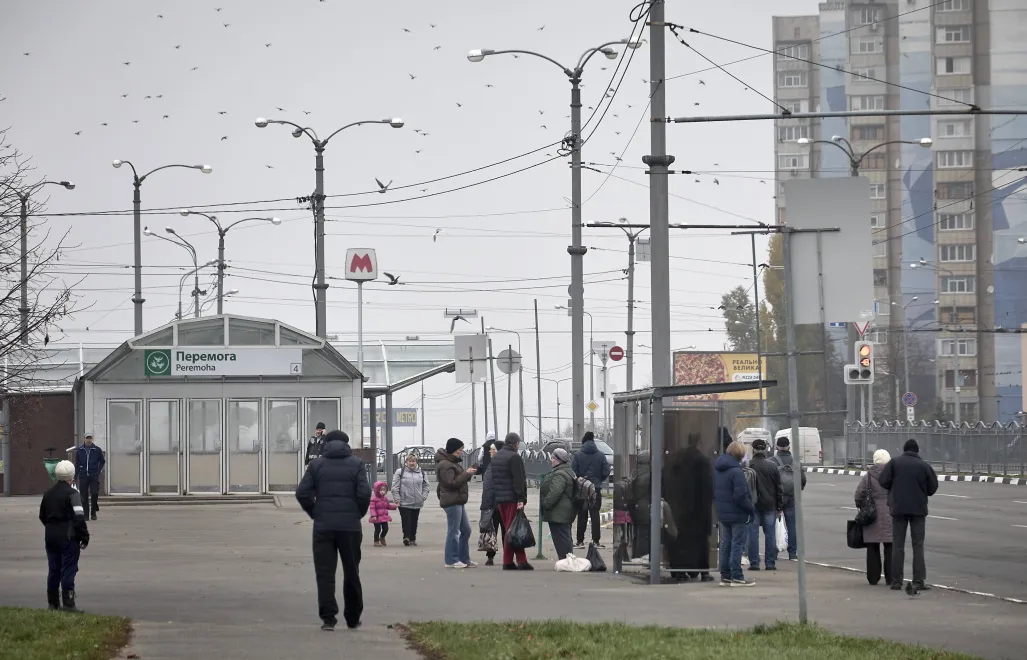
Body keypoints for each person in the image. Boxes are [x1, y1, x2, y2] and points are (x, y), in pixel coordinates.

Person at [295, 430, 370, 631]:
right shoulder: (357, 464)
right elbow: (364, 494)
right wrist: (357, 514)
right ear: (346, 444)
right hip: (350, 527)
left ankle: (328, 619)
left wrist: (315, 513)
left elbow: (302, 493)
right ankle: (353, 618)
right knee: (352, 572)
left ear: (325, 444)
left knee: (325, 573)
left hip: (324, 527)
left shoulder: (316, 465)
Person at [879, 439, 938, 592]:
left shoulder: (894, 463)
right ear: (917, 451)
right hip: (918, 509)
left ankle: (896, 581)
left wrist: (895, 488)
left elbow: (883, 481)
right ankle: (918, 580)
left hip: (898, 508)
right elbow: (932, 488)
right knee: (918, 545)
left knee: (898, 544)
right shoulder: (924, 466)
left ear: (904, 450)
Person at [663, 433, 715, 582]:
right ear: (700, 442)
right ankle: (702, 571)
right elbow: (707, 487)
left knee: (679, 539)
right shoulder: (703, 461)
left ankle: (679, 570)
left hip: (678, 507)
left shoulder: (675, 459)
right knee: (700, 541)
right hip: (699, 509)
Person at [40, 460, 89, 612]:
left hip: (50, 537)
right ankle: (68, 604)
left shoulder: (48, 494)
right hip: (68, 538)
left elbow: (42, 515)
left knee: (53, 570)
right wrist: (84, 536)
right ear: (72, 477)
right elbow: (79, 517)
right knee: (68, 570)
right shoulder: (73, 494)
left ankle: (53, 604)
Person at [714, 440, 756, 586]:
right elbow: (741, 496)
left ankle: (725, 576)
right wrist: (751, 508)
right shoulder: (736, 472)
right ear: (740, 454)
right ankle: (737, 576)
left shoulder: (719, 470)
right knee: (737, 545)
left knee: (726, 544)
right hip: (738, 514)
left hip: (723, 513)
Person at [490, 432, 533, 570]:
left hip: (500, 499)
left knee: (511, 529)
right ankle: (514, 561)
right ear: (515, 444)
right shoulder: (514, 457)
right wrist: (521, 498)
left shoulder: (496, 457)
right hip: (513, 499)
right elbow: (518, 479)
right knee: (513, 530)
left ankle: (514, 560)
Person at [436, 438, 478, 568]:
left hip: (457, 500)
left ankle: (464, 558)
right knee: (454, 531)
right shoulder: (445, 465)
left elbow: (457, 480)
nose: (461, 452)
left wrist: (468, 473)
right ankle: (451, 560)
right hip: (452, 501)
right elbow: (451, 483)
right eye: (460, 450)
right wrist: (466, 473)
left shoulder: (451, 463)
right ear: (453, 450)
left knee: (466, 530)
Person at [855, 449, 894, 586]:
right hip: (891, 513)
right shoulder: (894, 474)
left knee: (872, 547)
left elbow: (859, 494)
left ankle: (873, 578)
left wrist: (861, 506)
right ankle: (891, 578)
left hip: (872, 515)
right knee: (891, 547)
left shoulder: (869, 476)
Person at [747, 439, 782, 571]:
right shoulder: (772, 466)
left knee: (753, 534)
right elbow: (779, 487)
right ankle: (770, 563)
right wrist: (779, 506)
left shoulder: (748, 465)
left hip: (753, 505)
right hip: (770, 505)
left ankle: (754, 563)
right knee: (770, 534)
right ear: (765, 449)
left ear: (754, 450)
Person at [571, 431, 611, 549]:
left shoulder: (578, 455)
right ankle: (596, 541)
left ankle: (580, 541)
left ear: (583, 442)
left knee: (582, 514)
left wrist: (580, 481)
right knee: (595, 514)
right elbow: (606, 471)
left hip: (582, 489)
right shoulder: (601, 455)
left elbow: (573, 472)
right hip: (596, 488)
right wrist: (598, 480)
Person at [773, 435, 807, 561]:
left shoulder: (772, 461)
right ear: (788, 446)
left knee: (774, 525)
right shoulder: (796, 461)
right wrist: (797, 491)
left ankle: (773, 552)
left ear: (777, 447)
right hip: (792, 497)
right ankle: (792, 554)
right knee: (792, 525)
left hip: (776, 497)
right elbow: (803, 480)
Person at [540, 448, 576, 560]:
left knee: (561, 538)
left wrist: (546, 504)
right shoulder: (566, 471)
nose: (551, 460)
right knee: (564, 537)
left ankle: (565, 560)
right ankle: (567, 559)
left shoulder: (560, 474)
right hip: (562, 511)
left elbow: (555, 492)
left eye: (553, 458)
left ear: (559, 460)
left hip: (559, 512)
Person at [392, 453, 430, 546]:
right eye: (410, 461)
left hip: (417, 501)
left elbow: (426, 486)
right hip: (404, 501)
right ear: (406, 462)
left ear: (416, 462)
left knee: (414, 521)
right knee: (406, 520)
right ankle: (406, 537)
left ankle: (413, 538)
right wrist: (397, 499)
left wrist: (423, 496)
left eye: (413, 461)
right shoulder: (400, 472)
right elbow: (395, 487)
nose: (412, 463)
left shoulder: (422, 473)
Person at [479, 440, 505, 566]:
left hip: (502, 504)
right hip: (491, 504)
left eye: (493, 449)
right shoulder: (491, 464)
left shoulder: (503, 464)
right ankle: (490, 556)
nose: (490, 451)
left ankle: (508, 556)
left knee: (506, 531)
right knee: (490, 531)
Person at [74, 433, 104, 521]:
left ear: (92, 439)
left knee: (94, 493)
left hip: (93, 475)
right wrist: (75, 476)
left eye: (90, 438)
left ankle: (93, 511)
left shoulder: (97, 450)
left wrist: (98, 471)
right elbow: (77, 464)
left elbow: (102, 461)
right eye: (87, 438)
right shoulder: (80, 450)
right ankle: (86, 515)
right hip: (83, 476)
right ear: (84, 439)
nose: (89, 440)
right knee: (84, 496)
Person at [629, 451, 652, 559]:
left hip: (635, 506)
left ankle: (635, 555)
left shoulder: (635, 471)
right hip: (645, 506)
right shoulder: (650, 473)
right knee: (644, 533)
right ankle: (642, 556)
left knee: (637, 533)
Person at [368, 481, 397, 547]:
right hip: (376, 517)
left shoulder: (385, 499)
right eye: (380, 490)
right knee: (377, 529)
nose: (382, 491)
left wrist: (395, 506)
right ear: (377, 490)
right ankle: (376, 541)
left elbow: (388, 506)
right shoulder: (374, 499)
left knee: (385, 529)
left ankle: (382, 537)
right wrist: (373, 515)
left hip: (384, 517)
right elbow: (372, 508)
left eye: (384, 490)